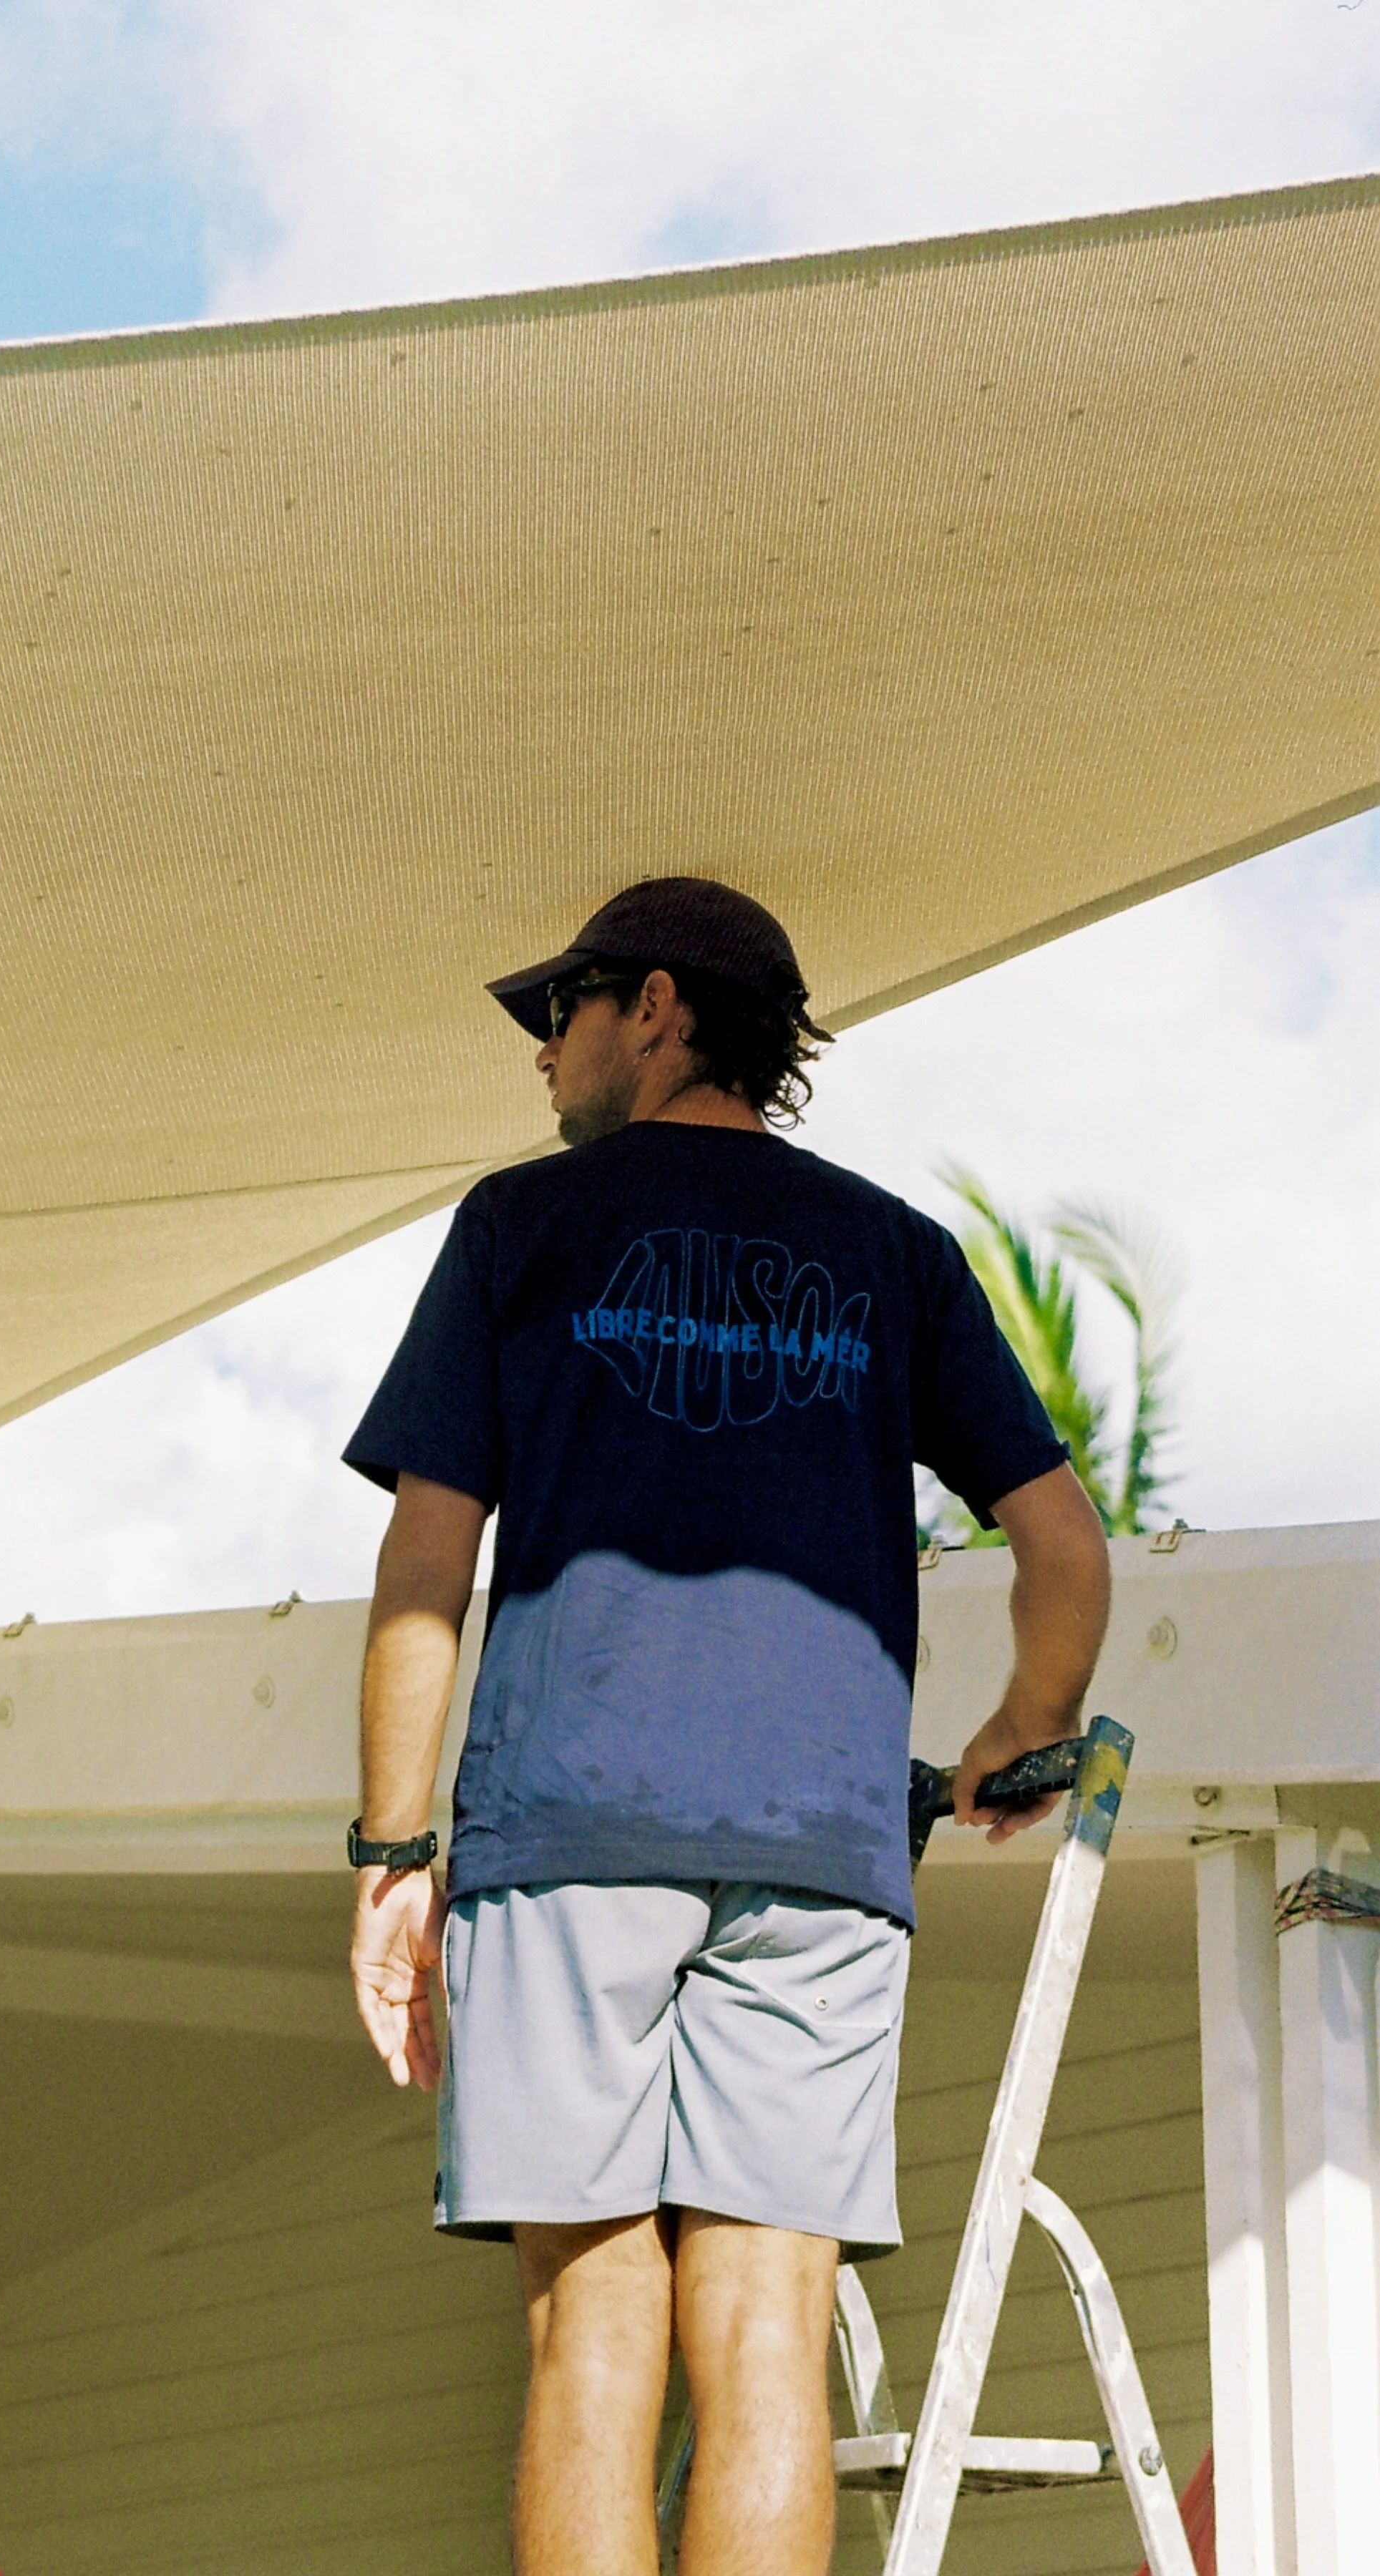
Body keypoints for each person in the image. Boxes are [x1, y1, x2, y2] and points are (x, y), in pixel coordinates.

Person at [341, 876, 1111, 2576]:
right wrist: (1023, 1722)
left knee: (590, 2327)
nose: (543, 1051)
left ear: (657, 1008)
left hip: (571, 1836)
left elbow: (425, 1560)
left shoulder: (518, 1226)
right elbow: (1061, 1541)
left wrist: (392, 1850)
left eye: (563, 1010)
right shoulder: (894, 1253)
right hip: (818, 1853)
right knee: (766, 2338)